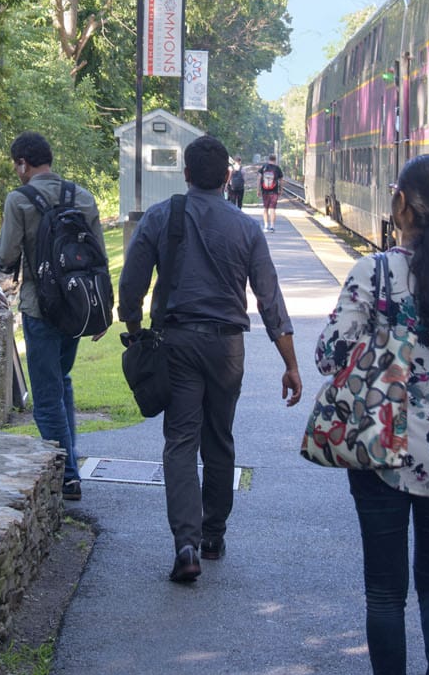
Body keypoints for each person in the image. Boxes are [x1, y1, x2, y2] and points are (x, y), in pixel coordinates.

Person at [314, 154, 429, 675]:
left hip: (380, 449)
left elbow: (329, 356)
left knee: (385, 590)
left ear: (400, 204)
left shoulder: (370, 274)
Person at [120, 134, 302, 584]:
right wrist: (290, 363)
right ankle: (214, 534)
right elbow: (269, 300)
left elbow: (131, 282)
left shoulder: (162, 216)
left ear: (185, 174)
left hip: (177, 343)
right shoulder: (245, 228)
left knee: (181, 441)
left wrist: (135, 329)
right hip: (227, 348)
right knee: (219, 437)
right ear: (227, 178)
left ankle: (186, 544)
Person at [0, 131, 105, 502]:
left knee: (45, 395)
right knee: (63, 380)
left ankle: (66, 475)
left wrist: (0, 256)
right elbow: (99, 258)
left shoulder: (19, 200)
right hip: (77, 309)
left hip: (40, 308)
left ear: (23, 163)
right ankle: (69, 458)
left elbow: (7, 257)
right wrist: (103, 311)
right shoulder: (83, 197)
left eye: (16, 165)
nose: (17, 172)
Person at [257, 153, 282, 231]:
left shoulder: (264, 167)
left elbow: (259, 178)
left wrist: (258, 189)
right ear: (275, 159)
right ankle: (272, 226)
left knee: (265, 208)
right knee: (273, 209)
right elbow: (281, 180)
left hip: (265, 191)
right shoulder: (277, 168)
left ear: (269, 159)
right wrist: (281, 189)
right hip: (274, 191)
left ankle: (265, 226)